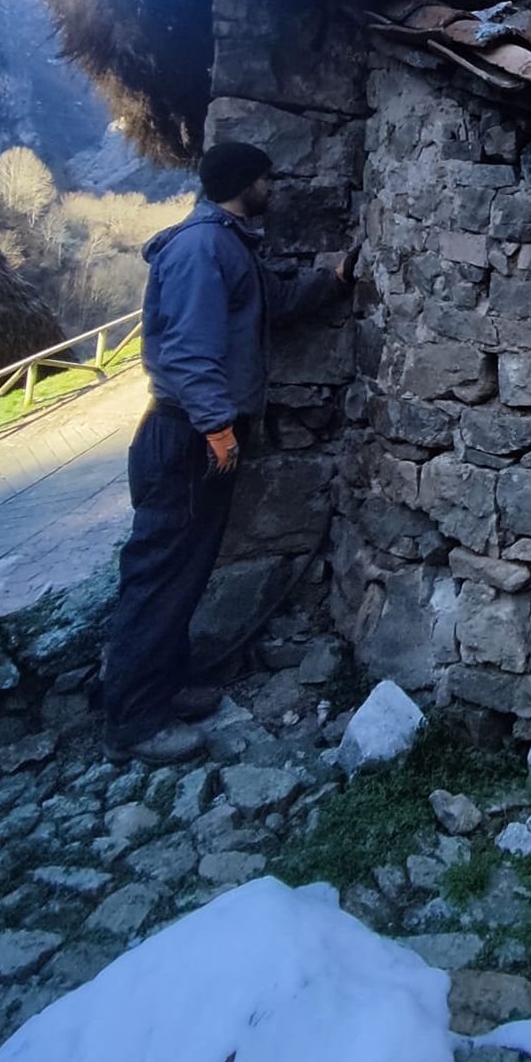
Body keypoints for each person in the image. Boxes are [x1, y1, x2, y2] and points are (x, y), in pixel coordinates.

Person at [102, 140, 356, 763]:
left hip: (196, 434)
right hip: (185, 437)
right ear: (244, 183)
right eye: (268, 177)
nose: (275, 186)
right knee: (161, 572)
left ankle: (165, 683)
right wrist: (218, 428)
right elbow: (188, 350)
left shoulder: (229, 243)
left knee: (185, 567)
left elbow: (272, 306)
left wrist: (333, 279)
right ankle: (135, 719)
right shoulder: (201, 249)